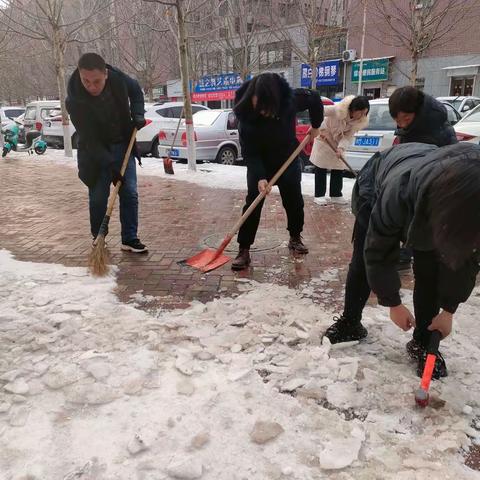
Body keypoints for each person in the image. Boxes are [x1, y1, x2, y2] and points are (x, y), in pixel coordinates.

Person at [323, 142, 480, 378]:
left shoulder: (470, 206)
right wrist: (392, 302)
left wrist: (448, 309)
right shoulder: (397, 195)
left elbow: (466, 259)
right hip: (379, 182)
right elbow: (377, 252)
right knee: (362, 261)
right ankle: (350, 322)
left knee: (429, 270)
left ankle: (424, 342)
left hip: (434, 195)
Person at [231, 73, 323, 270]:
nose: (262, 111)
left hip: (288, 158)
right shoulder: (246, 116)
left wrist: (316, 126)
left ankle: (295, 237)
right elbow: (250, 153)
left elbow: (314, 98)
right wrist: (260, 177)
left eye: (266, 107)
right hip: (261, 162)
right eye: (259, 105)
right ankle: (244, 248)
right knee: (252, 204)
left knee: (294, 201)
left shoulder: (289, 100)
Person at [66, 52, 148, 253]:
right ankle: (98, 236)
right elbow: (89, 139)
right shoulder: (75, 99)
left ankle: (129, 238)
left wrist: (138, 113)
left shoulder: (118, 78)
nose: (91, 87)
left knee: (129, 193)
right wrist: (110, 165)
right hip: (95, 152)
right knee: (98, 197)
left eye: (96, 82)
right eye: (86, 81)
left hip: (122, 143)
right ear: (79, 74)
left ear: (106, 75)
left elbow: (136, 90)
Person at [389, 86, 458, 270]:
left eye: (406, 119)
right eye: (397, 120)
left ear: (417, 112)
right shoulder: (410, 128)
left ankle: (410, 255)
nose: (401, 124)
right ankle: (403, 253)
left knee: (420, 221)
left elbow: (452, 161)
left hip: (433, 184)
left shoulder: (440, 130)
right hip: (411, 181)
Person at [310, 95, 370, 206]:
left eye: (365, 113)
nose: (363, 116)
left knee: (338, 167)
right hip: (324, 137)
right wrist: (317, 126)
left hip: (337, 142)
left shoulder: (358, 122)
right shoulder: (338, 109)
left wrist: (341, 148)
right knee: (321, 166)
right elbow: (320, 111)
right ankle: (319, 195)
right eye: (361, 112)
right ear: (354, 109)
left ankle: (336, 194)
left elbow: (347, 137)